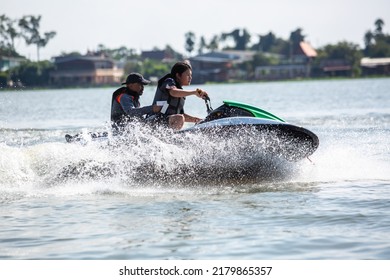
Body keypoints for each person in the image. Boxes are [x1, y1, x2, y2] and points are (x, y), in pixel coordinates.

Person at [150, 61, 208, 130]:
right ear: (178, 75)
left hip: (165, 122)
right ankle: (173, 138)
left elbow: (182, 114)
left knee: (181, 117)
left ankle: (171, 137)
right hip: (154, 121)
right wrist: (194, 92)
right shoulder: (168, 81)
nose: (190, 78)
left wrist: (198, 120)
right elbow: (173, 92)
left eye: (191, 75)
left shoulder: (181, 93)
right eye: (188, 75)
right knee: (179, 118)